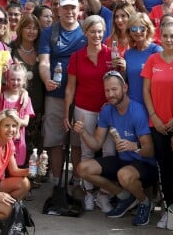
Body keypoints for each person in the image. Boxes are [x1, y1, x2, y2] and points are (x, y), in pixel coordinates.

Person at [74, 71, 157, 226]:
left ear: (124, 88)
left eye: (114, 89)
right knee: (82, 169)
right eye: (107, 90)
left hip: (144, 164)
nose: (110, 94)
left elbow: (150, 150)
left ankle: (145, 203)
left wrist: (134, 146)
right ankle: (125, 197)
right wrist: (83, 132)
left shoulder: (137, 111)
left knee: (123, 175)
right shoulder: (107, 110)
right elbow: (97, 144)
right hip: (123, 161)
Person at [141, 22, 173, 228]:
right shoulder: (152, 60)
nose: (169, 40)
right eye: (166, 36)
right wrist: (155, 117)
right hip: (157, 123)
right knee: (165, 168)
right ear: (160, 37)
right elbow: (146, 91)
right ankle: (169, 210)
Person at [64, 15, 115, 212]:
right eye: (92, 31)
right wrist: (66, 114)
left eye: (100, 31)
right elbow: (70, 88)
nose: (96, 35)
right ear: (85, 33)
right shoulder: (77, 56)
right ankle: (88, 192)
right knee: (87, 152)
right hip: (84, 109)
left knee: (109, 152)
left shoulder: (111, 54)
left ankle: (104, 194)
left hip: (108, 111)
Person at [38, 0, 87, 187]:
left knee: (77, 141)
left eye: (72, 7)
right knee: (55, 140)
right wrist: (46, 79)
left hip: (81, 95)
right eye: (65, 7)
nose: (69, 11)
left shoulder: (86, 30)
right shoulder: (49, 32)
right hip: (56, 94)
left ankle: (77, 181)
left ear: (79, 9)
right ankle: (57, 182)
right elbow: (44, 61)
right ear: (58, 9)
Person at [11, 14, 45, 170]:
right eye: (28, 27)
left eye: (35, 28)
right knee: (16, 145)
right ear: (21, 28)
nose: (31, 31)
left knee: (35, 145)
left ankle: (33, 177)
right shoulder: (11, 50)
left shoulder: (42, 51)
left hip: (38, 106)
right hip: (16, 108)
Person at [0, 63, 34, 167]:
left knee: (16, 169)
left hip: (18, 142)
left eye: (19, 80)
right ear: (7, 79)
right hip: (2, 140)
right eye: (12, 79)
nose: (15, 82)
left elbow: (26, 122)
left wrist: (14, 119)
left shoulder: (26, 100)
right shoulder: (2, 96)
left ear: (24, 81)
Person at [123, 12, 162, 105]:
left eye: (142, 28)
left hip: (153, 105)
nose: (138, 31)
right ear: (129, 32)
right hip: (132, 105)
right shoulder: (128, 54)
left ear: (148, 30)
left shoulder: (156, 51)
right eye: (134, 28)